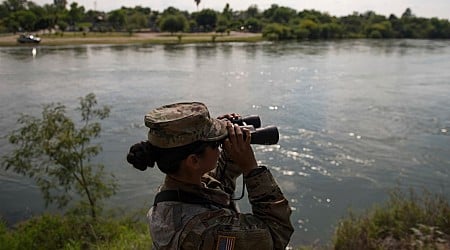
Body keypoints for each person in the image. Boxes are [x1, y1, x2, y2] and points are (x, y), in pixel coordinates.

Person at [126, 102, 294, 250]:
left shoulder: (175, 191)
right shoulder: (208, 231)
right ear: (193, 160)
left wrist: (229, 148)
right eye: (215, 144)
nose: (219, 148)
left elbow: (218, 190)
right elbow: (276, 235)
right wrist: (251, 169)